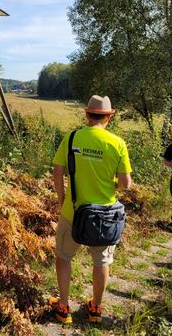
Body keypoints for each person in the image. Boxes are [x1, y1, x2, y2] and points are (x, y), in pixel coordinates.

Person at [49, 95, 132, 324]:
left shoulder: (72, 137)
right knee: (102, 262)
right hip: (105, 216)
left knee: (64, 257)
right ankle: (95, 308)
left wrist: (62, 199)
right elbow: (126, 183)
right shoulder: (117, 143)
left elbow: (58, 171)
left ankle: (63, 307)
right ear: (108, 117)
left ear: (87, 114)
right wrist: (111, 184)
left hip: (72, 212)